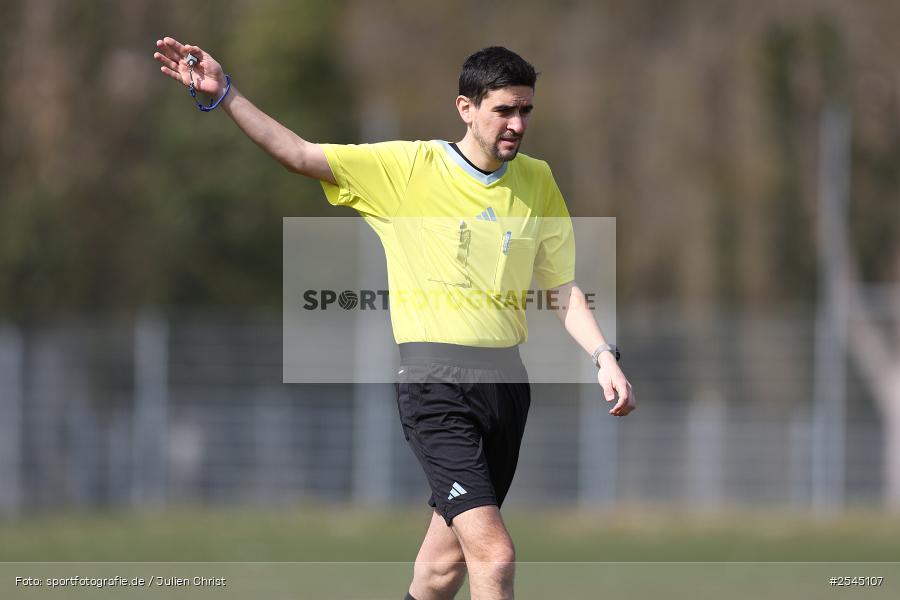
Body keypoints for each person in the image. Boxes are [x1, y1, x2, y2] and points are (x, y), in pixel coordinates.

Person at [154, 38, 635, 600]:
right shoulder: (408, 168)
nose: (517, 123)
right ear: (466, 108)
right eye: (504, 109)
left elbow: (560, 285)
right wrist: (227, 94)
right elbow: (302, 154)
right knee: (495, 556)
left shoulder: (538, 180)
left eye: (526, 110)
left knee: (438, 572)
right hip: (436, 389)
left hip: (506, 389)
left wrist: (604, 356)